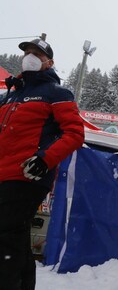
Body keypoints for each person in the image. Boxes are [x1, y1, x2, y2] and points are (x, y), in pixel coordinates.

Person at [0, 38, 85, 290]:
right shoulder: (9, 96)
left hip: (26, 176)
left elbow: (75, 134)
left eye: (37, 53)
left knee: (6, 233)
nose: (30, 56)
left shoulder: (57, 94)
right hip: (3, 175)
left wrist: (44, 159)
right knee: (14, 234)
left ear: (49, 62)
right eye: (27, 52)